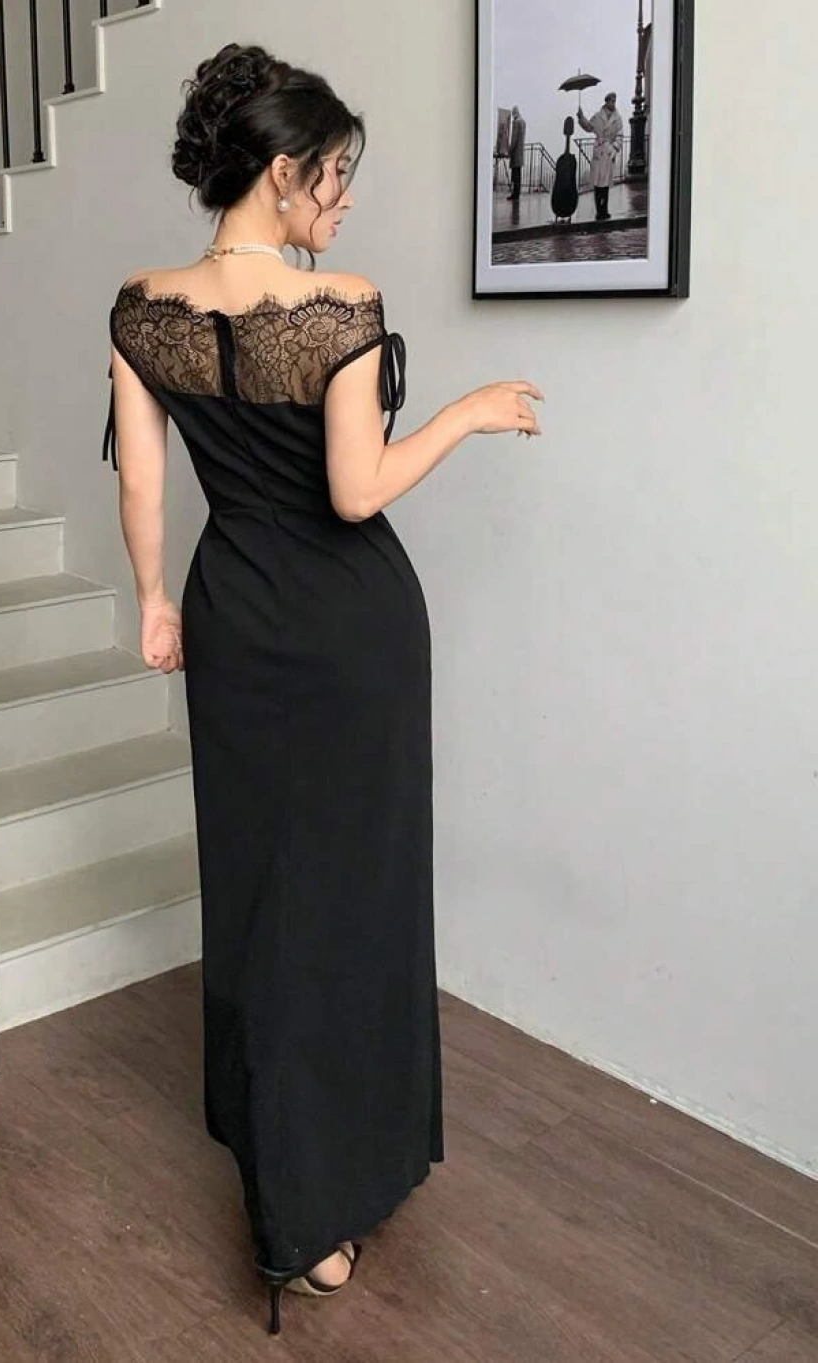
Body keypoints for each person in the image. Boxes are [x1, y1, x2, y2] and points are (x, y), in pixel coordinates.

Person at [102, 41, 544, 1337]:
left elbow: (142, 480)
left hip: (234, 614)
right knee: (353, 894)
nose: (346, 200)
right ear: (284, 172)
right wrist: (464, 413)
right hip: (352, 628)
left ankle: (298, 1178)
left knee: (261, 897)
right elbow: (355, 492)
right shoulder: (340, 304)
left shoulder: (140, 308)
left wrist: (154, 601)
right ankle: (310, 1207)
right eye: (336, 174)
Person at [578, 91, 623, 219]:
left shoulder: (618, 118)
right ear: (606, 102)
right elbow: (589, 127)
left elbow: (620, 135)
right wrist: (581, 117)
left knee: (606, 184)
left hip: (608, 152)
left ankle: (605, 210)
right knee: (598, 184)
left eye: (615, 101)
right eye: (612, 101)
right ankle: (599, 211)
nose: (613, 103)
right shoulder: (598, 116)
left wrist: (614, 148)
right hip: (599, 151)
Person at [508, 104, 526, 199]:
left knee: (515, 174)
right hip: (520, 152)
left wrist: (510, 150)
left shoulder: (516, 122)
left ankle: (514, 194)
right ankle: (517, 193)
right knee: (518, 174)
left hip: (515, 153)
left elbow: (514, 138)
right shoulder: (523, 122)